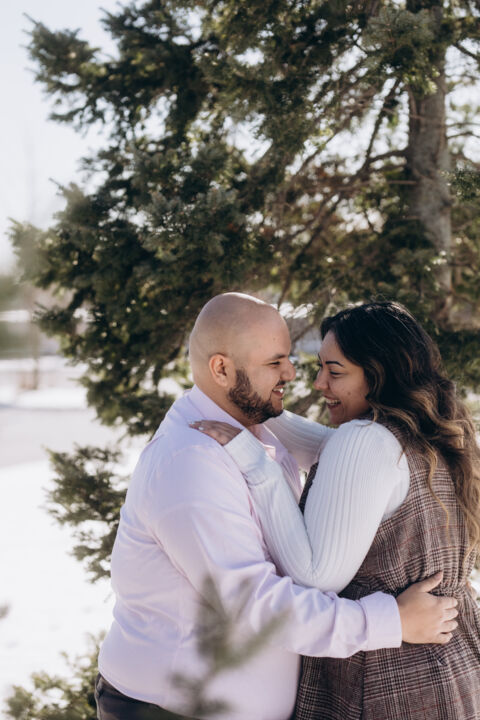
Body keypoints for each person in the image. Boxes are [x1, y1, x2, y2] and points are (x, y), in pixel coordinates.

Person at [96, 294, 458, 720]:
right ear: (221, 369)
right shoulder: (193, 462)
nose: (292, 373)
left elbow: (350, 461)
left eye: (289, 358)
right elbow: (256, 604)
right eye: (275, 363)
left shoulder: (249, 433)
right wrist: (390, 622)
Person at [193, 300, 480, 719]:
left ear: (379, 374)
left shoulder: (366, 440)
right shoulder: (429, 434)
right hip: (453, 665)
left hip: (386, 679)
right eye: (320, 367)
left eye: (336, 372)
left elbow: (314, 575)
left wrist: (258, 466)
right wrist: (252, 401)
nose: (319, 383)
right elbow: (329, 450)